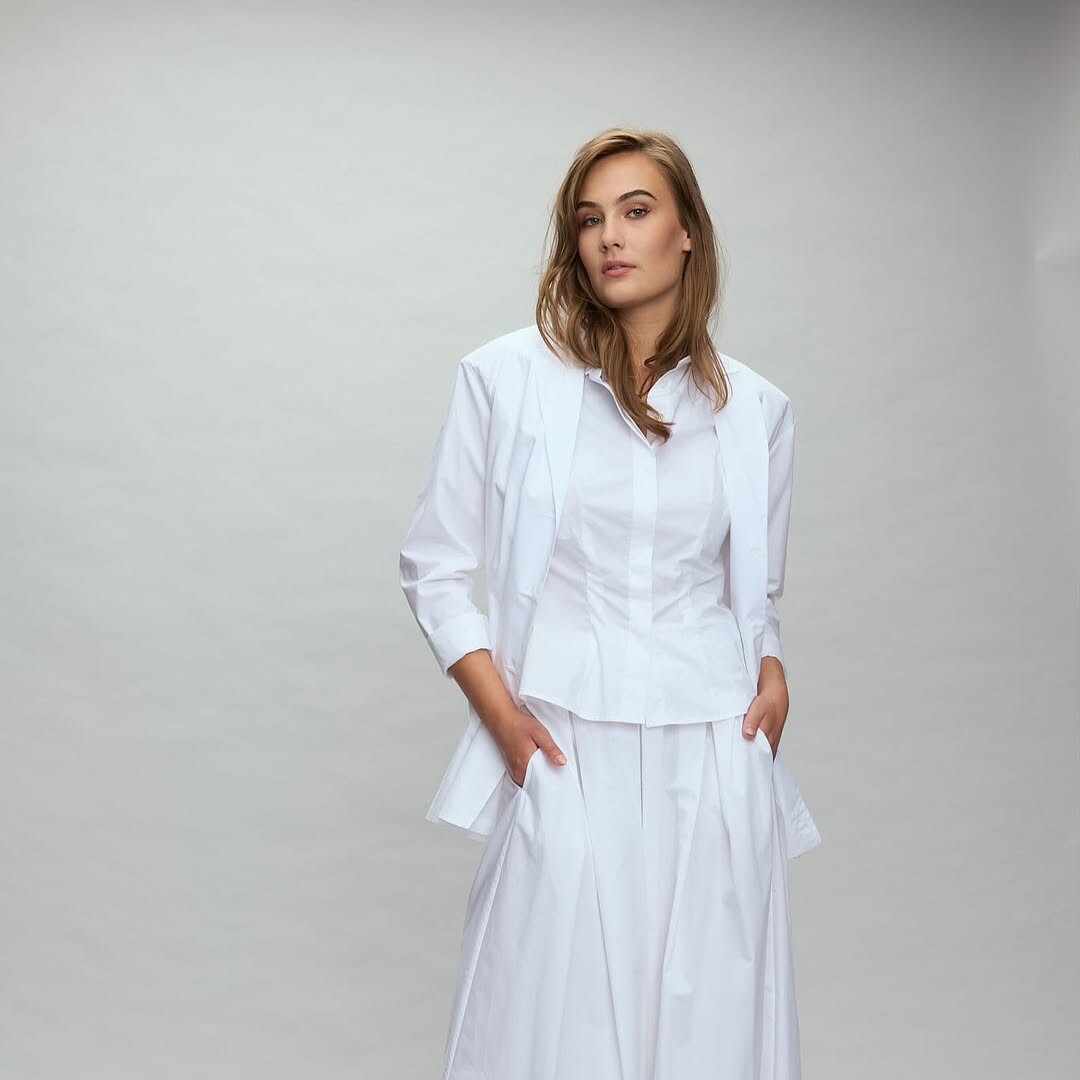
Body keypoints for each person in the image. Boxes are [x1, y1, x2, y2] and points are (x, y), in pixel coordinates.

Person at [398, 126, 822, 1080]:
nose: (610, 238)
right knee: (550, 1020)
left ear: (688, 233)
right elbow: (433, 565)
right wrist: (503, 721)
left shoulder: (757, 411)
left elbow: (754, 588)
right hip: (562, 740)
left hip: (714, 745)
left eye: (636, 211)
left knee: (713, 1022)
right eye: (590, 220)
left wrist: (771, 667)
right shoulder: (503, 378)